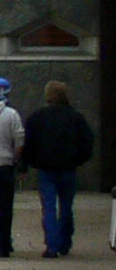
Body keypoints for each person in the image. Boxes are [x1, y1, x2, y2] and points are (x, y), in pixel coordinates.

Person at [19, 80, 97, 258]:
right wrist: (79, 160)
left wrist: (26, 164)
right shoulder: (75, 118)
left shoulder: (37, 117)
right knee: (66, 207)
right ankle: (64, 242)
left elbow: (28, 144)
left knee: (48, 207)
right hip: (68, 168)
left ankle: (51, 245)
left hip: (46, 169)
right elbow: (87, 141)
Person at [0, 78, 25, 257]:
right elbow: (19, 141)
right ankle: (2, 244)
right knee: (5, 207)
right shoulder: (11, 114)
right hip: (4, 164)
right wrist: (15, 160)